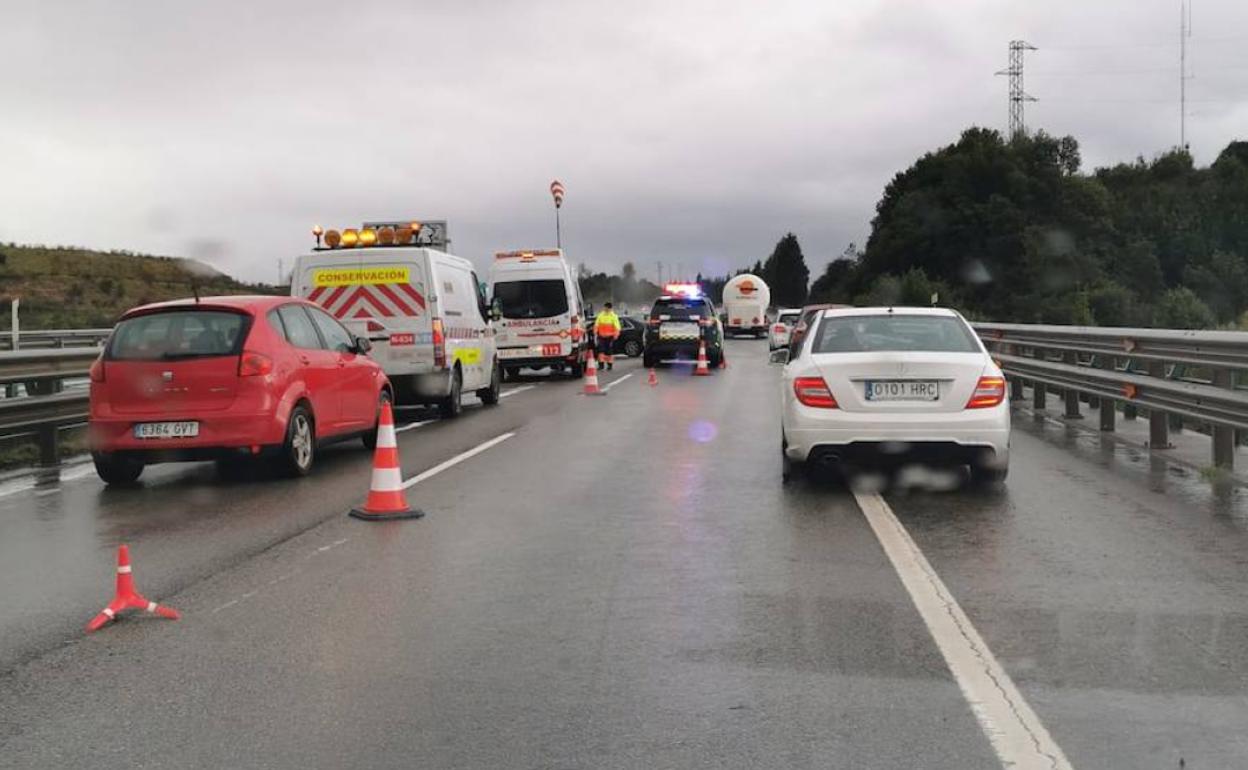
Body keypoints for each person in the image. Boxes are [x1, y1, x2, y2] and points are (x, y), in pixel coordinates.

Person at [594, 302, 622, 370]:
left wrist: (616, 335)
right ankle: (601, 365)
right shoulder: (600, 315)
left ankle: (609, 365)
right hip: (601, 336)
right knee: (601, 351)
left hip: (610, 337)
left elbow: (617, 327)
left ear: (610, 308)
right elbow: (596, 324)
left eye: (606, 308)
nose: (605, 309)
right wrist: (595, 332)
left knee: (609, 351)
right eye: (605, 307)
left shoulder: (613, 316)